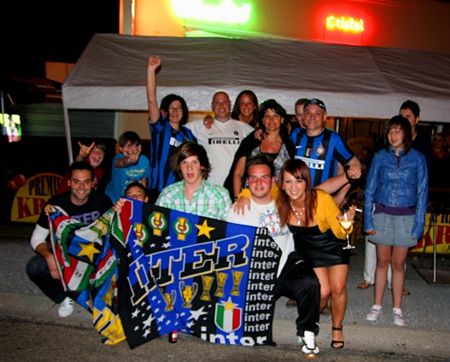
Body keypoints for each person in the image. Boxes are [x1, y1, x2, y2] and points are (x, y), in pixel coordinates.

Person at [228, 155, 321, 356]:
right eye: (253, 178)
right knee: (255, 341)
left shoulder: (285, 201)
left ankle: (306, 331)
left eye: (264, 177)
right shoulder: (236, 210)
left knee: (310, 284)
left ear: (273, 181)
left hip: (285, 268)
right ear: (247, 182)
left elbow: (313, 194)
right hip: (255, 276)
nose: (259, 183)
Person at [276, 158, 356, 349]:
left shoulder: (321, 199)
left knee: (337, 288)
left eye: (298, 181)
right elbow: (256, 192)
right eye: (288, 181)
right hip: (309, 252)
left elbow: (339, 231)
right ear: (282, 184)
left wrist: (347, 223)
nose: (293, 187)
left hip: (332, 245)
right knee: (322, 291)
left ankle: (337, 328)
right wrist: (244, 196)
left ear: (306, 182)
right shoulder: (279, 199)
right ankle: (311, 322)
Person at [25, 161, 113, 318]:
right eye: (76, 181)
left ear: (93, 183)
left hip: (93, 256)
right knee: (35, 266)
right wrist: (49, 257)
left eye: (86, 182)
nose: (81, 187)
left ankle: (95, 292)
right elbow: (36, 238)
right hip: (65, 257)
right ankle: (66, 296)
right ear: (69, 182)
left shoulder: (103, 202)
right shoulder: (55, 205)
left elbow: (113, 233)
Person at [364, 115, 428, 327]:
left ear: (406, 133)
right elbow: (370, 189)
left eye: (397, 131)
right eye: (390, 131)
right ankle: (377, 305)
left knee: (398, 264)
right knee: (382, 262)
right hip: (382, 215)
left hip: (406, 217)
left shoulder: (418, 158)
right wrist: (368, 221)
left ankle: (397, 308)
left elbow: (422, 193)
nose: (393, 135)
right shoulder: (380, 157)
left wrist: (419, 225)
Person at [289, 98, 361, 206]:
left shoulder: (333, 139)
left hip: (322, 202)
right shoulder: (296, 135)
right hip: (295, 200)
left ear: (324, 117)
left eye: (317, 113)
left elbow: (354, 166)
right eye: (308, 113)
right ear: (303, 117)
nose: (312, 117)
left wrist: (341, 196)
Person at [146, 55, 197, 202]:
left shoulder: (189, 135)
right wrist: (151, 71)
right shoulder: (161, 127)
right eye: (171, 108)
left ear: (184, 111)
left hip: (181, 192)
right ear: (165, 110)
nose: (175, 111)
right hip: (157, 190)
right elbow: (151, 101)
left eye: (179, 108)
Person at [223, 99, 295, 200]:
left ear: (282, 119)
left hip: (278, 200)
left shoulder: (289, 145)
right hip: (250, 199)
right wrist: (237, 198)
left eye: (275, 116)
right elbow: (237, 173)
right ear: (262, 120)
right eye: (267, 116)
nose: (271, 120)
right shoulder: (251, 141)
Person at [185, 91, 253, 186]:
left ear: (230, 105)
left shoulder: (244, 128)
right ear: (212, 106)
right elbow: (176, 128)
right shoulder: (199, 126)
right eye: (217, 103)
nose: (221, 106)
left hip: (235, 186)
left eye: (224, 102)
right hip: (210, 187)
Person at [156, 141, 231, 220]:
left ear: (202, 165)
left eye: (194, 162)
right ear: (179, 166)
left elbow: (231, 229)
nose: (189, 168)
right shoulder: (167, 195)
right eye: (184, 163)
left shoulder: (220, 195)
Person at [105, 131, 150, 203]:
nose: (130, 149)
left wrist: (143, 198)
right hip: (114, 199)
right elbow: (122, 162)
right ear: (120, 149)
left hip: (133, 198)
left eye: (132, 145)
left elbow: (143, 180)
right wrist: (130, 160)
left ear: (139, 147)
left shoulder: (144, 160)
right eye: (126, 146)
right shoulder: (117, 158)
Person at [399, 100, 432, 168]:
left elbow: (426, 167)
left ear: (417, 119)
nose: (403, 120)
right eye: (401, 117)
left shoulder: (424, 141)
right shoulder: (392, 137)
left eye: (407, 117)